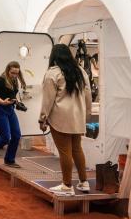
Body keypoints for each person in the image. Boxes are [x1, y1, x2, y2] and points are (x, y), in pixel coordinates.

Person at [39, 43, 92, 195]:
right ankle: (84, 182)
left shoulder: (52, 73)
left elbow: (48, 99)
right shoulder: (80, 71)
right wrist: (86, 113)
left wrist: (42, 118)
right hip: (78, 117)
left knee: (65, 152)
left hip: (60, 118)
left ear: (53, 56)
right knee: (77, 149)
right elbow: (88, 95)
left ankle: (67, 186)